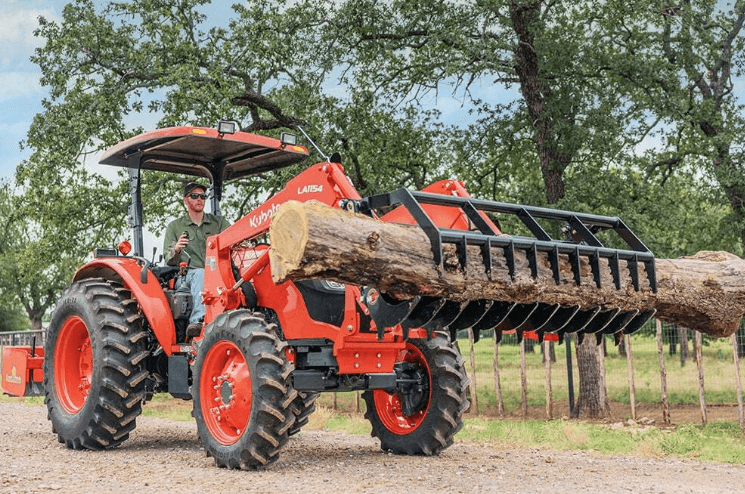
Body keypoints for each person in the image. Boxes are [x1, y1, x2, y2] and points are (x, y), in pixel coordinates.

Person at [164, 182, 231, 335]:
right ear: (186, 200)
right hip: (186, 277)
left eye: (203, 196)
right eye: (194, 196)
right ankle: (199, 321)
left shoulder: (218, 223)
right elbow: (168, 258)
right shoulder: (175, 227)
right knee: (201, 274)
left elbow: (233, 237)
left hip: (218, 274)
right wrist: (177, 249)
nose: (199, 199)